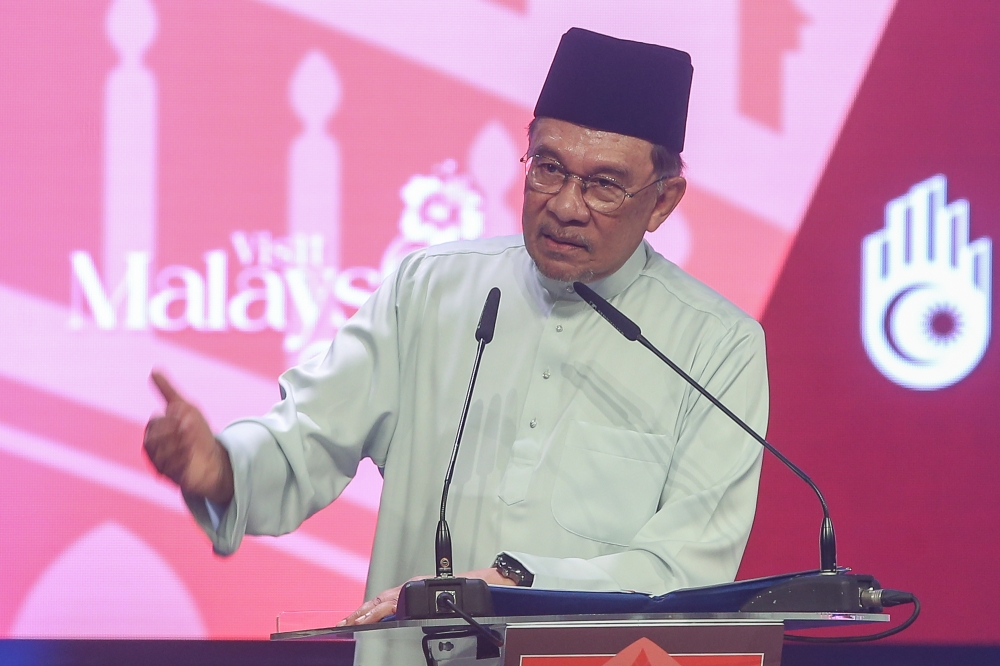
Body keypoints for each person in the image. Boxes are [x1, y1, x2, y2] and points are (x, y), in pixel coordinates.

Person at [144, 27, 768, 629]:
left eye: (604, 185)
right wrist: (223, 467)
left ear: (662, 201)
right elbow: (308, 436)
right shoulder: (430, 290)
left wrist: (513, 585)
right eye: (548, 167)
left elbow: (686, 569)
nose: (566, 205)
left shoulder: (716, 347)